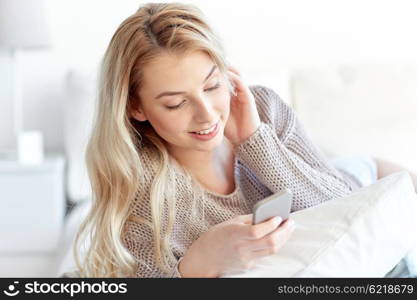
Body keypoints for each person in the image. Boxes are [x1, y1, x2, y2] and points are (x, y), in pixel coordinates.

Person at [72, 2, 417, 278]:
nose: (207, 115)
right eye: (176, 103)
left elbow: (349, 210)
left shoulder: (262, 108)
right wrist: (196, 266)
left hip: (355, 177)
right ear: (136, 106)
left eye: (212, 85)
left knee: (392, 178)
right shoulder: (139, 181)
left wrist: (255, 141)